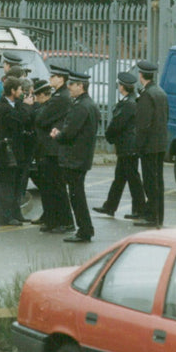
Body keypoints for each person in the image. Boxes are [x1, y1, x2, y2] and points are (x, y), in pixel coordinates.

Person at [51, 70, 100, 242]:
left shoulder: (80, 106)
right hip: (81, 157)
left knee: (76, 196)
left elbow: (69, 133)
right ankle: (85, 229)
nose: (69, 87)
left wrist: (57, 135)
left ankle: (84, 230)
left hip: (74, 158)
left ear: (81, 86)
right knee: (77, 194)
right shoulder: (89, 104)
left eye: (72, 84)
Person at [94, 71, 146, 219]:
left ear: (123, 87)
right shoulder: (130, 101)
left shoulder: (129, 103)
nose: (118, 87)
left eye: (119, 85)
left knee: (132, 179)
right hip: (127, 147)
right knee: (121, 178)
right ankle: (110, 206)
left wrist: (109, 136)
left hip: (128, 147)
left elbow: (117, 124)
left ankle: (139, 210)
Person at [33, 66, 74, 233]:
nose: (51, 78)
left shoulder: (60, 98)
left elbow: (41, 120)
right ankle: (52, 219)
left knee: (55, 186)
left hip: (52, 148)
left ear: (61, 79)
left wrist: (38, 109)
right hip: (51, 148)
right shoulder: (59, 96)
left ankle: (64, 221)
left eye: (54, 76)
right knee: (50, 185)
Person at [0, 77, 34, 226]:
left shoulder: (15, 104)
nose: (22, 93)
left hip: (17, 150)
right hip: (6, 151)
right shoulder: (2, 107)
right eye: (19, 90)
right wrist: (27, 107)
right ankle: (5, 216)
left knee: (17, 183)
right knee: (8, 184)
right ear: (12, 91)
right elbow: (19, 120)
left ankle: (16, 213)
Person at [133, 60, 169, 228]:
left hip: (149, 146)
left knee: (150, 183)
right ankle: (158, 216)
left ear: (141, 75)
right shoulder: (160, 92)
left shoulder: (147, 95)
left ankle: (152, 216)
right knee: (158, 182)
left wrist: (138, 146)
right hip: (160, 143)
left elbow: (143, 124)